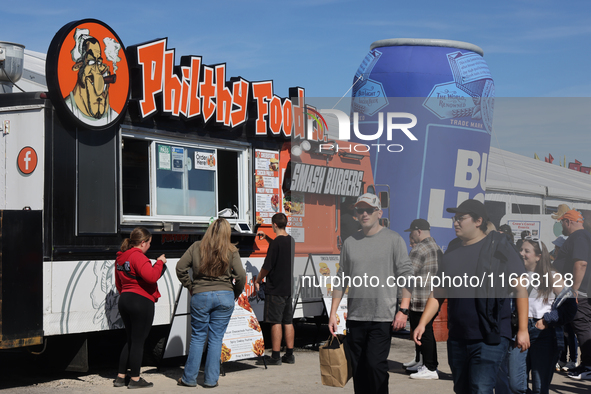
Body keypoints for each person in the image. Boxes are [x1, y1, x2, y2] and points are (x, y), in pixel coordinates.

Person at [413, 199, 530, 394]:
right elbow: (439, 291)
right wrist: (423, 323)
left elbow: (520, 290)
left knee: (480, 389)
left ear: (478, 221)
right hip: (458, 335)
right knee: (461, 389)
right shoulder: (452, 249)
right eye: (454, 218)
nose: (455, 222)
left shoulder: (499, 246)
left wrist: (523, 329)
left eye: (461, 218)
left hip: (491, 335)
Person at [328, 193, 414, 394]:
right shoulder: (350, 242)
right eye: (360, 210)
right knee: (359, 370)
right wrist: (333, 313)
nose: (364, 214)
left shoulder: (393, 240)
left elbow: (406, 275)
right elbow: (342, 278)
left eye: (369, 210)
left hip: (382, 317)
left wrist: (403, 310)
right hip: (356, 317)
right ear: (356, 214)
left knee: (376, 367)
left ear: (379, 213)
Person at [176, 218, 246, 388]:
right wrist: (234, 293)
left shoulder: (196, 246)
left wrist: (191, 286)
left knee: (198, 337)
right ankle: (210, 380)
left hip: (201, 295)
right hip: (225, 296)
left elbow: (180, 268)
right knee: (216, 338)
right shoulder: (231, 250)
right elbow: (241, 276)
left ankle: (189, 379)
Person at [502, 236, 576, 394]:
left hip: (543, 333)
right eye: (521, 250)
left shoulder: (552, 276)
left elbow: (570, 307)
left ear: (538, 256)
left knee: (540, 386)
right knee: (515, 384)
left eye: (526, 251)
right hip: (519, 330)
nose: (521, 253)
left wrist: (548, 321)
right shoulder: (516, 274)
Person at [114, 227, 167, 389]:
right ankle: (135, 379)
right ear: (143, 242)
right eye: (149, 243)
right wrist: (160, 263)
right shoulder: (139, 257)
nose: (149, 246)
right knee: (138, 341)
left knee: (130, 339)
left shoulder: (121, 258)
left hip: (125, 299)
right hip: (141, 301)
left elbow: (118, 283)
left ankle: (120, 377)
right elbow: (151, 277)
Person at [553, 209, 591, 380]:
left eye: (561, 222)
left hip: (579, 292)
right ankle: (585, 364)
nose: (561, 225)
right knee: (581, 327)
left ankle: (588, 366)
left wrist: (575, 289)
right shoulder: (582, 236)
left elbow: (581, 263)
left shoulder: (579, 237)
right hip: (578, 291)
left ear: (568, 222)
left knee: (581, 327)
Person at [254, 212, 296, 365]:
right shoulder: (290, 241)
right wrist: (267, 238)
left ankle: (276, 356)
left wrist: (258, 280)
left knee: (275, 322)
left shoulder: (276, 243)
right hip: (288, 288)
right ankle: (290, 355)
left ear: (275, 225)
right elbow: (279, 247)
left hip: (275, 288)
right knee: (288, 321)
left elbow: (267, 266)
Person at [403, 219, 442, 379]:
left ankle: (430, 367)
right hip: (432, 298)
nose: (411, 236)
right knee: (424, 331)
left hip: (419, 298)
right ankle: (421, 361)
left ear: (418, 231)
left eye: (411, 232)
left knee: (424, 333)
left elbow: (408, 275)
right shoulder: (437, 247)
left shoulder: (419, 248)